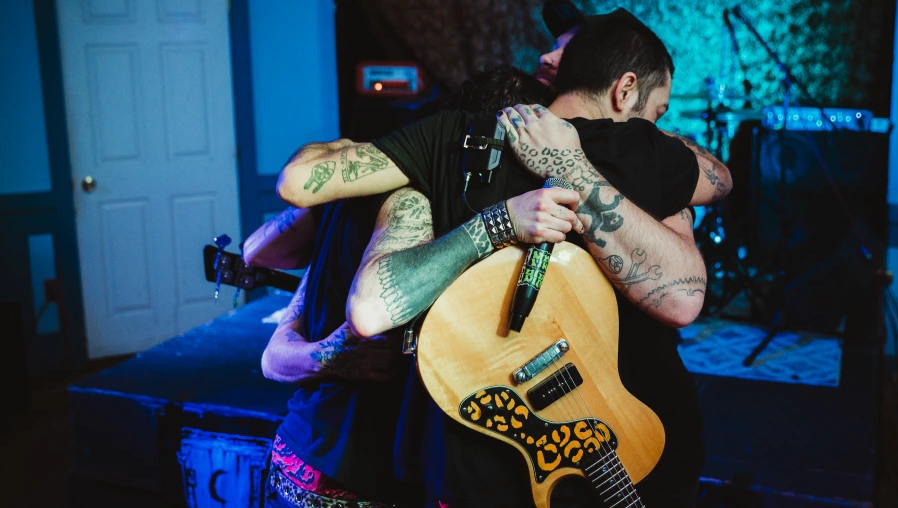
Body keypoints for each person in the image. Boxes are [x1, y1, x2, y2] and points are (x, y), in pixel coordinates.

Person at [273, 12, 728, 507]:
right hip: (630, 446)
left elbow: (297, 186)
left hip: (469, 465)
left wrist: (345, 146)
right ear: (624, 90)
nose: (654, 123)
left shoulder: (446, 135)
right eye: (656, 112)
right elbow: (719, 185)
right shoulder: (644, 148)